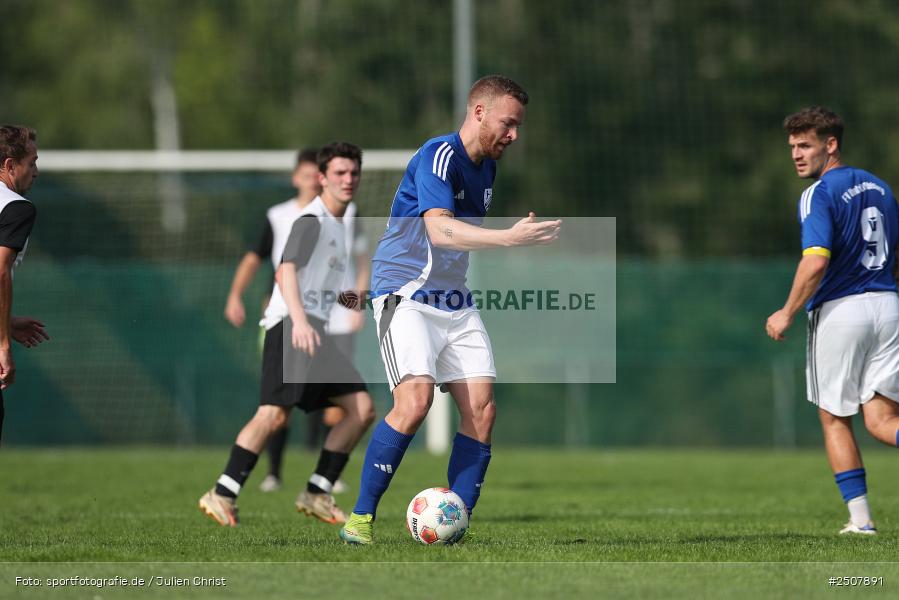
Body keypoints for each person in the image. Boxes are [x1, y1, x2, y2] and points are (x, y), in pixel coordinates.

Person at [339, 75, 561, 545]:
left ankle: (454, 521)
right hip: (406, 294)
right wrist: (509, 239)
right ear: (478, 112)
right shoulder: (438, 155)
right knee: (414, 402)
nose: (514, 135)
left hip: (454, 300)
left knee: (482, 412)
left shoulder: (488, 169)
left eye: (518, 126)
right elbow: (440, 232)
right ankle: (359, 520)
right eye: (508, 123)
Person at [200, 142, 375, 526]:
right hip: (292, 327)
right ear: (322, 178)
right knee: (273, 415)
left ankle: (317, 491)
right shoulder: (312, 219)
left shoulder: (340, 223)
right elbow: (285, 270)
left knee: (361, 408)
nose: (348, 180)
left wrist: (376, 302)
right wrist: (297, 319)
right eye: (340, 173)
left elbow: (328, 291)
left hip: (312, 327)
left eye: (353, 173)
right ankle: (222, 493)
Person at [766, 106, 899, 535]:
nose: (796, 155)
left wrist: (786, 312)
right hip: (889, 306)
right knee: (882, 423)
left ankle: (860, 522)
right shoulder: (881, 187)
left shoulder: (818, 193)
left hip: (843, 311)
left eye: (805, 145)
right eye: (792, 147)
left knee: (834, 418)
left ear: (831, 144)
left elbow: (816, 261)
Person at [0, 125, 50, 445]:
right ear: (9, 165)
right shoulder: (16, 207)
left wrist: (7, 321)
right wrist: (3, 345)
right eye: (31, 162)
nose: (36, 171)